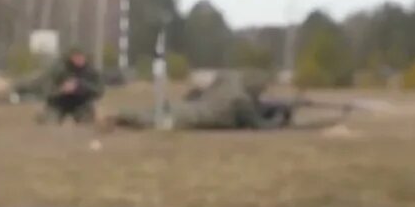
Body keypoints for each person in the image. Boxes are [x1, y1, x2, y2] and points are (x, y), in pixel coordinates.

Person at [102, 69, 281, 131]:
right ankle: (117, 117)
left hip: (187, 107)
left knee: (151, 113)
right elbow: (259, 125)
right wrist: (279, 118)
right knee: (153, 121)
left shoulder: (226, 84)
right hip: (188, 118)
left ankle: (119, 116)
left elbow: (197, 92)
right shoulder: (241, 100)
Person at [36, 47, 105, 125]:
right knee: (49, 124)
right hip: (58, 103)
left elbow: (99, 91)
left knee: (87, 124)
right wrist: (62, 90)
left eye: (81, 56)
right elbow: (46, 90)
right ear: (70, 57)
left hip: (81, 103)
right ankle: (42, 117)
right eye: (76, 56)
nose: (79, 59)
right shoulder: (58, 70)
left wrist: (80, 86)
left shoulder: (91, 71)